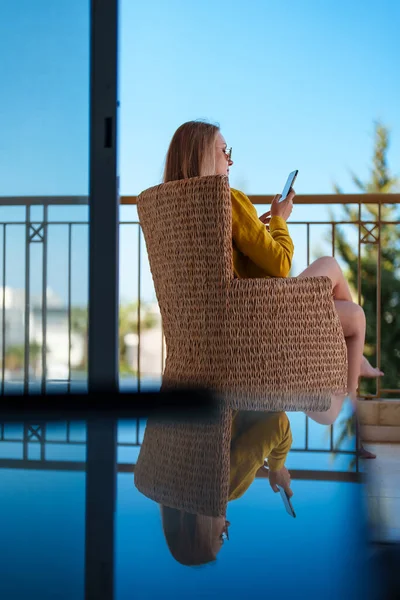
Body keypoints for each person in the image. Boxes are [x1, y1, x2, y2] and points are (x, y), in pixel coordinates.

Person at [162, 120, 383, 436]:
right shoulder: (227, 198)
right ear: (202, 156)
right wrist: (279, 220)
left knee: (348, 305)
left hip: (221, 326)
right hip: (258, 321)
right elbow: (280, 265)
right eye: (225, 151)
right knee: (343, 292)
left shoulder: (177, 208)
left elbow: (231, 269)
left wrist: (254, 228)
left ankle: (353, 369)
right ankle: (350, 398)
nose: (231, 160)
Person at [160, 411, 293, 566]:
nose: (227, 527)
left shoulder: (225, 488)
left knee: (327, 417)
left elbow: (278, 423)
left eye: (221, 537)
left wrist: (276, 468)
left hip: (241, 389)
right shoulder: (171, 474)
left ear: (200, 531)